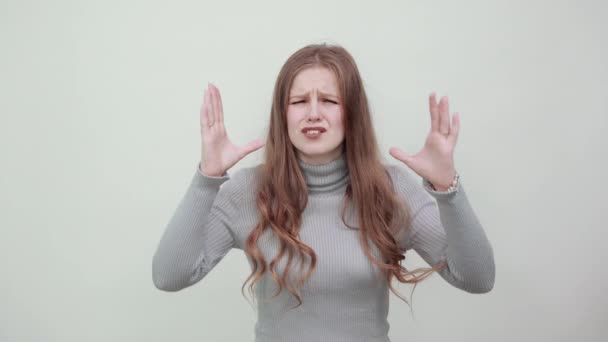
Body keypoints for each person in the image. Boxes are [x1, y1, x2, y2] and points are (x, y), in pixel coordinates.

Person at [152, 43, 495, 342]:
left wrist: (447, 188)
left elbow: (477, 278)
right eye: (299, 101)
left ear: (352, 114)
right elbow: (169, 275)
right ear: (282, 115)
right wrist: (207, 178)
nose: (313, 113)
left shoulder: (391, 190)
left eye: (329, 100)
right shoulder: (247, 191)